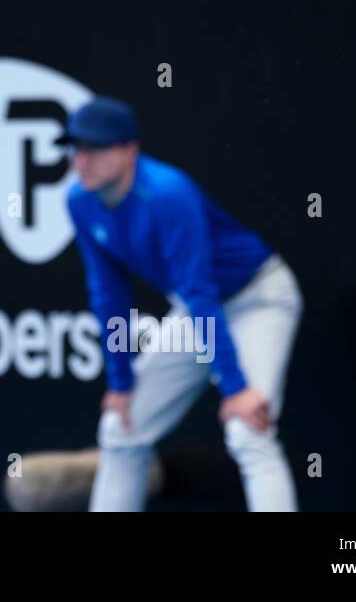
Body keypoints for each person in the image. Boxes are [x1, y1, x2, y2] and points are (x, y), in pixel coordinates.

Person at [59, 96, 303, 512]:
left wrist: (236, 388)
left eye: (95, 149)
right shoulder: (79, 201)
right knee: (120, 426)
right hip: (201, 311)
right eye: (76, 149)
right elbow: (109, 295)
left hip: (259, 298)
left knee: (249, 430)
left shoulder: (169, 195)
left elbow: (199, 292)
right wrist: (120, 382)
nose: (82, 161)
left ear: (130, 150)